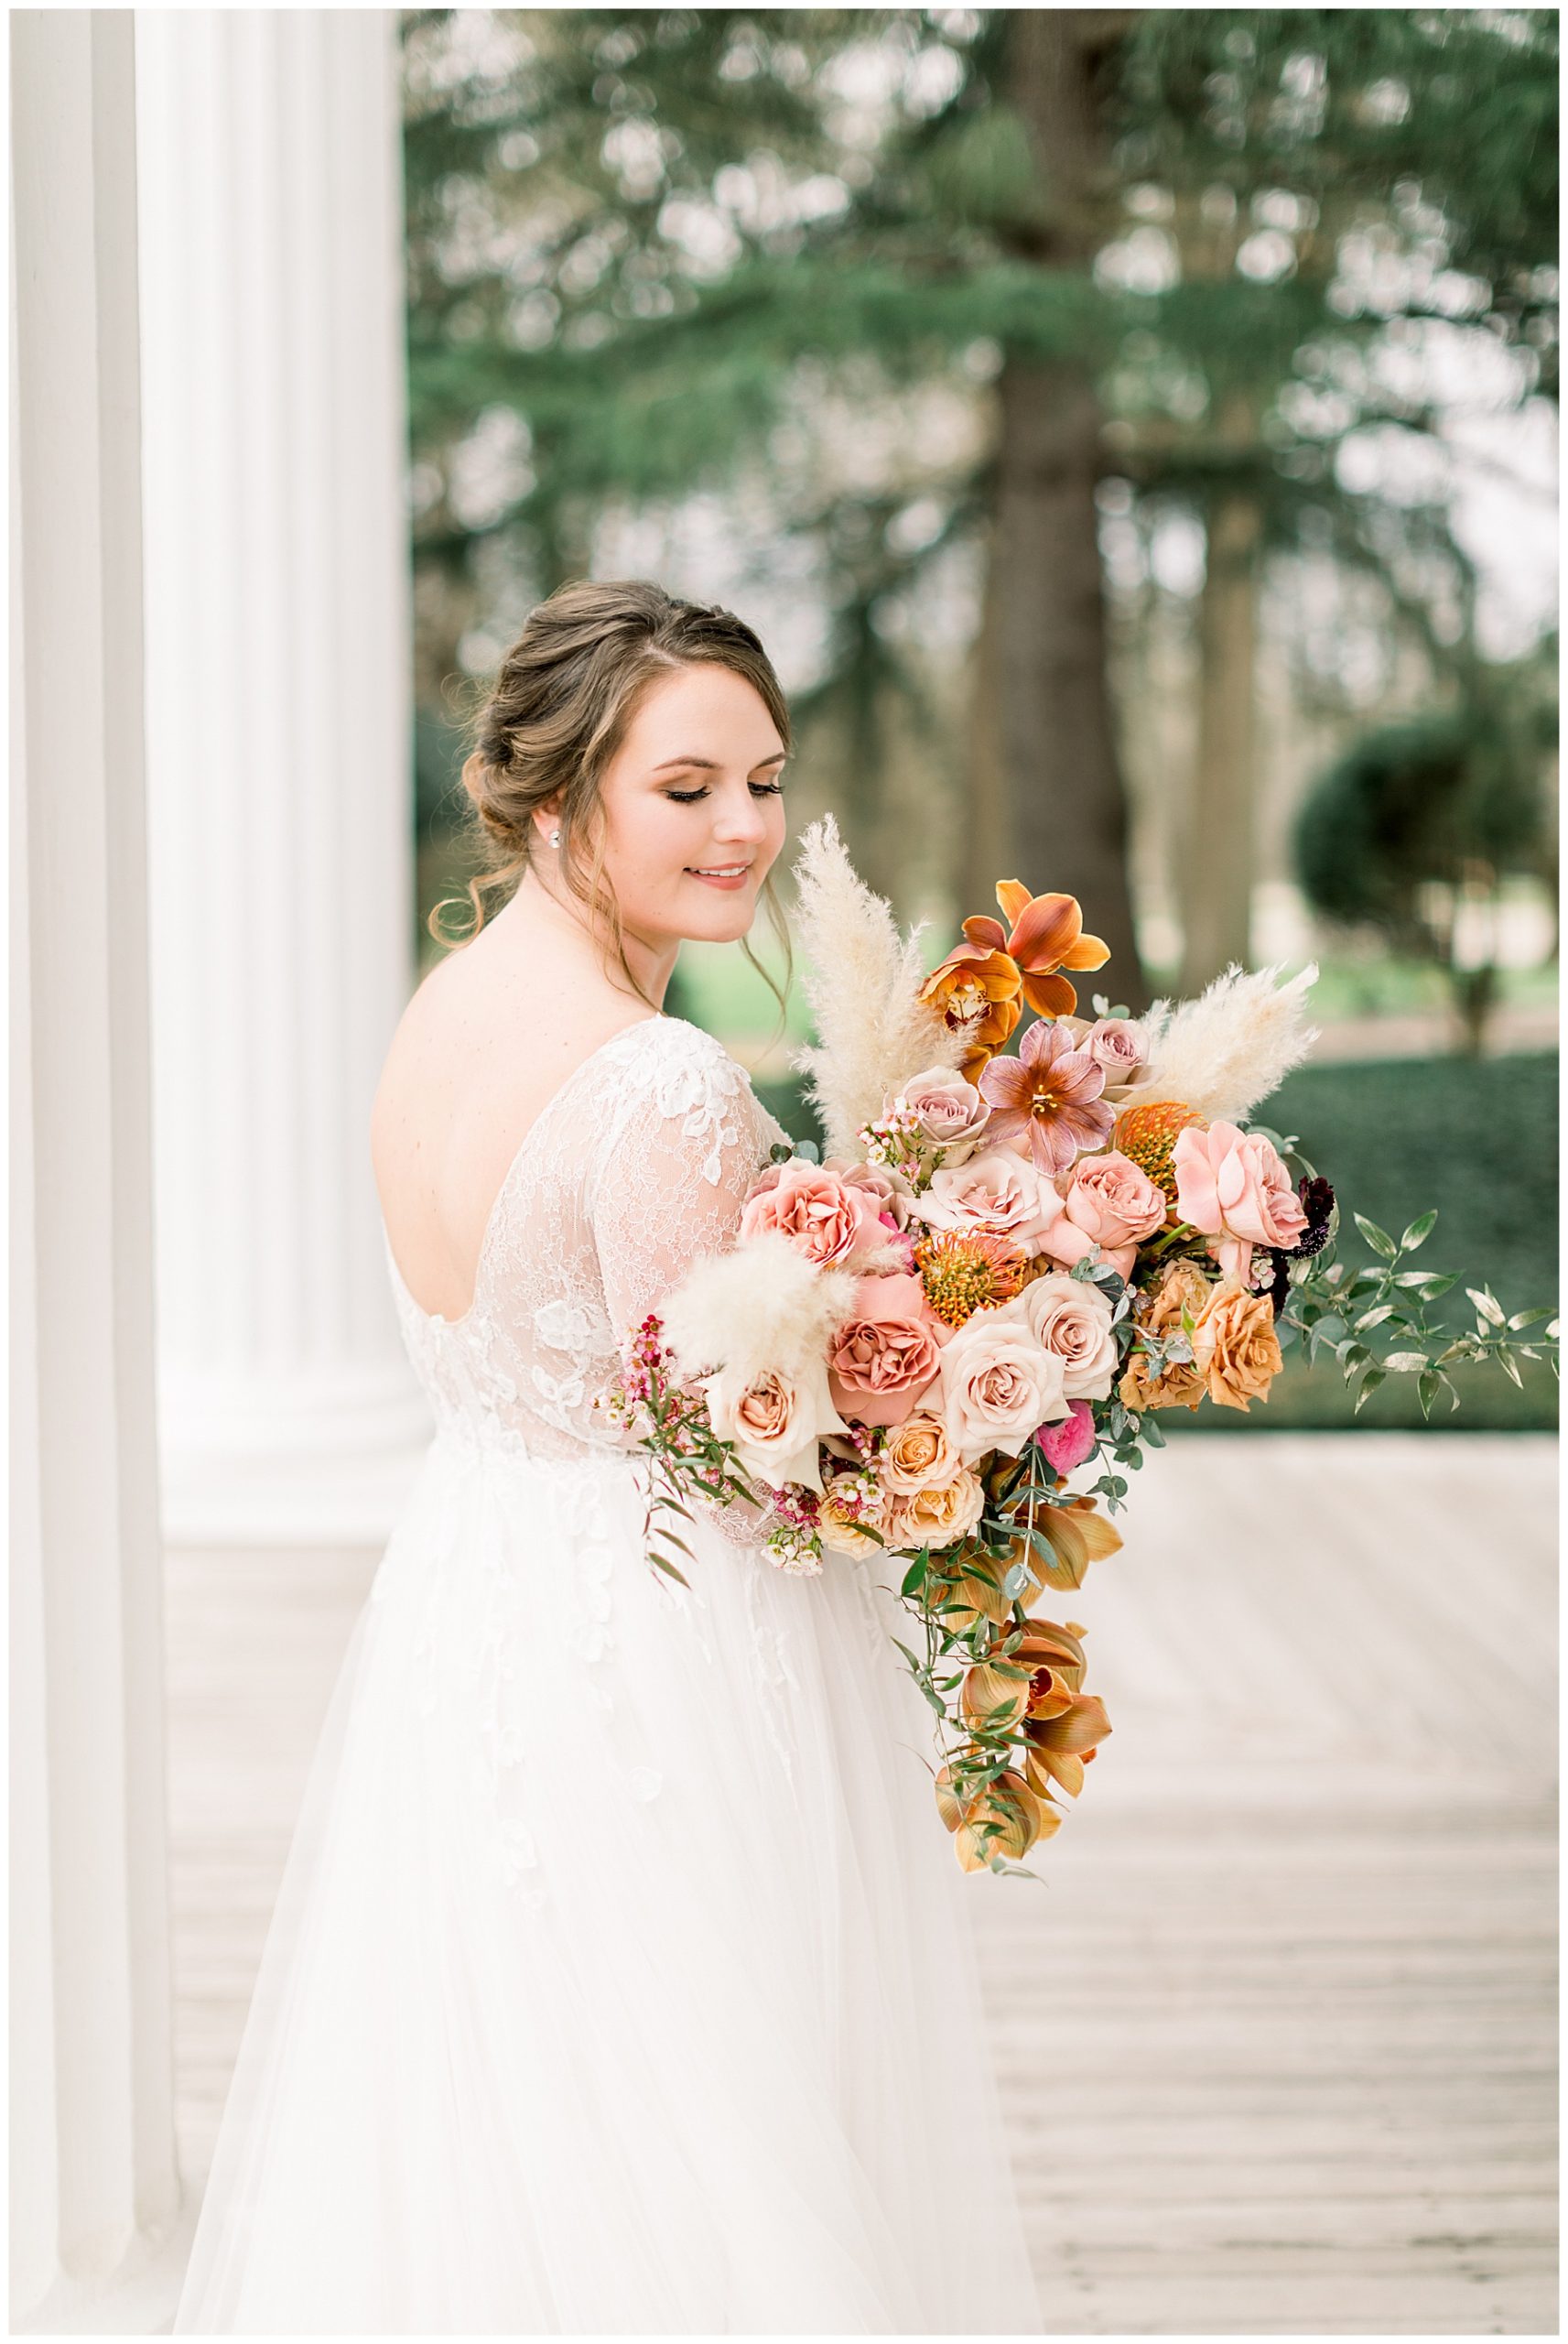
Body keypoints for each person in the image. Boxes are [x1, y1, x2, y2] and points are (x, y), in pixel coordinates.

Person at [172, 580, 1044, 2334]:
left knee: (511, 2098)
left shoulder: (441, 1014)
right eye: (687, 788)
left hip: (473, 1595)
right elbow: (737, 1448)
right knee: (701, 2106)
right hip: (659, 1644)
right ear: (566, 798)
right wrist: (962, 1384)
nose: (743, 829)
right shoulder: (656, 1083)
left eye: (765, 780)